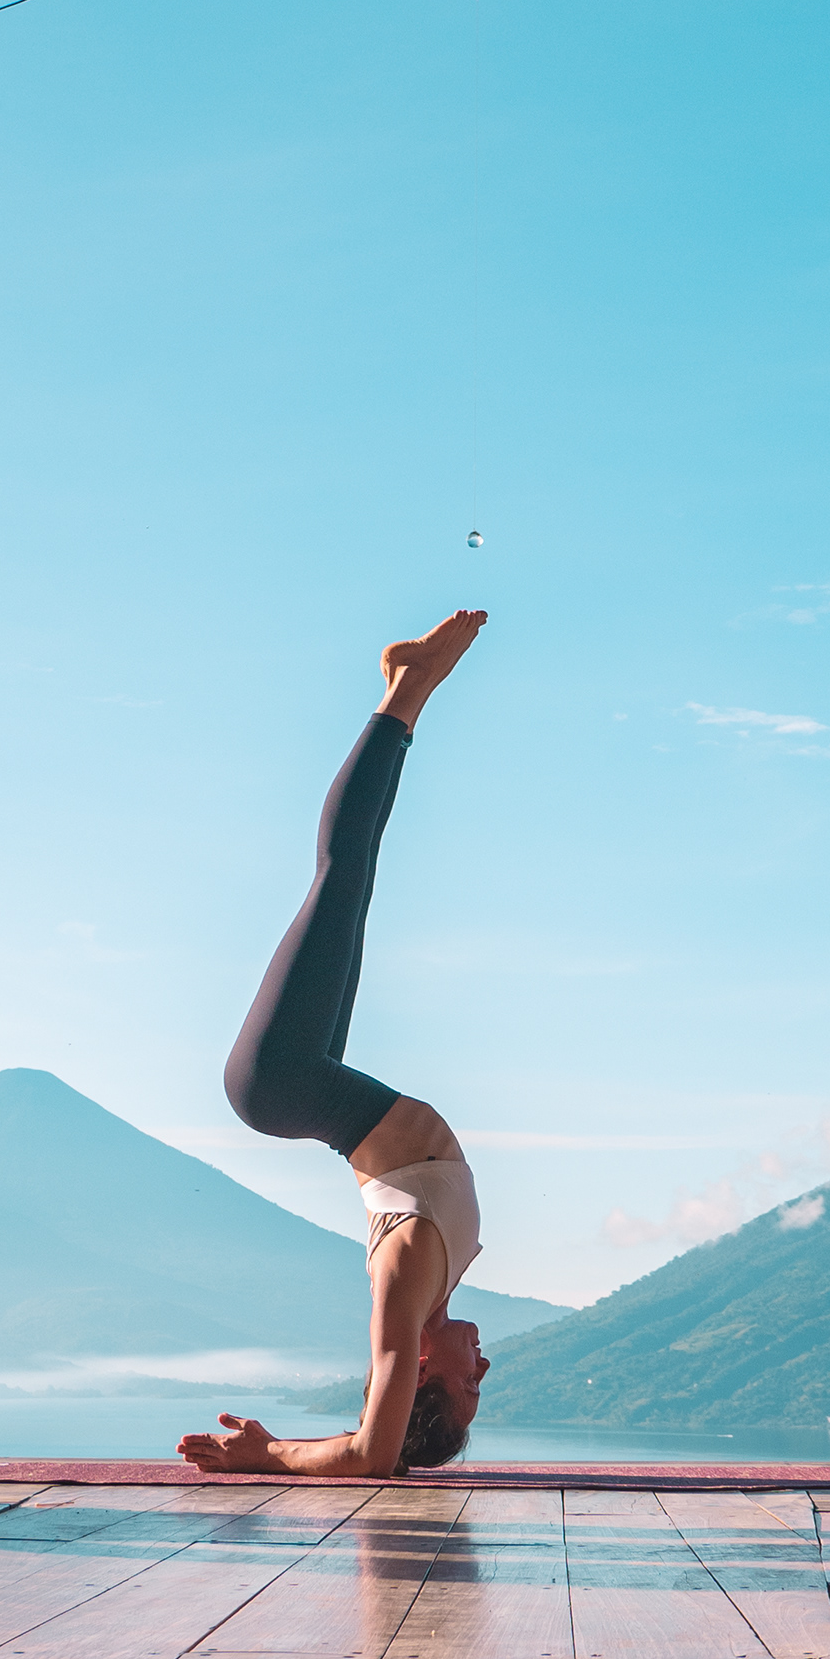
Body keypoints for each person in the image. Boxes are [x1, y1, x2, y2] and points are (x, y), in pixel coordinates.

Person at [180, 610, 492, 1479]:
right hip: (313, 1090)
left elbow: (372, 1452)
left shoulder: (403, 1293)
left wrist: (270, 1453)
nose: (486, 1368)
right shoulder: (432, 1288)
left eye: (472, 1387)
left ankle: (408, 689)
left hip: (284, 1084)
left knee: (343, 871)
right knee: (354, 877)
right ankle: (406, 693)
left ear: (426, 1375)